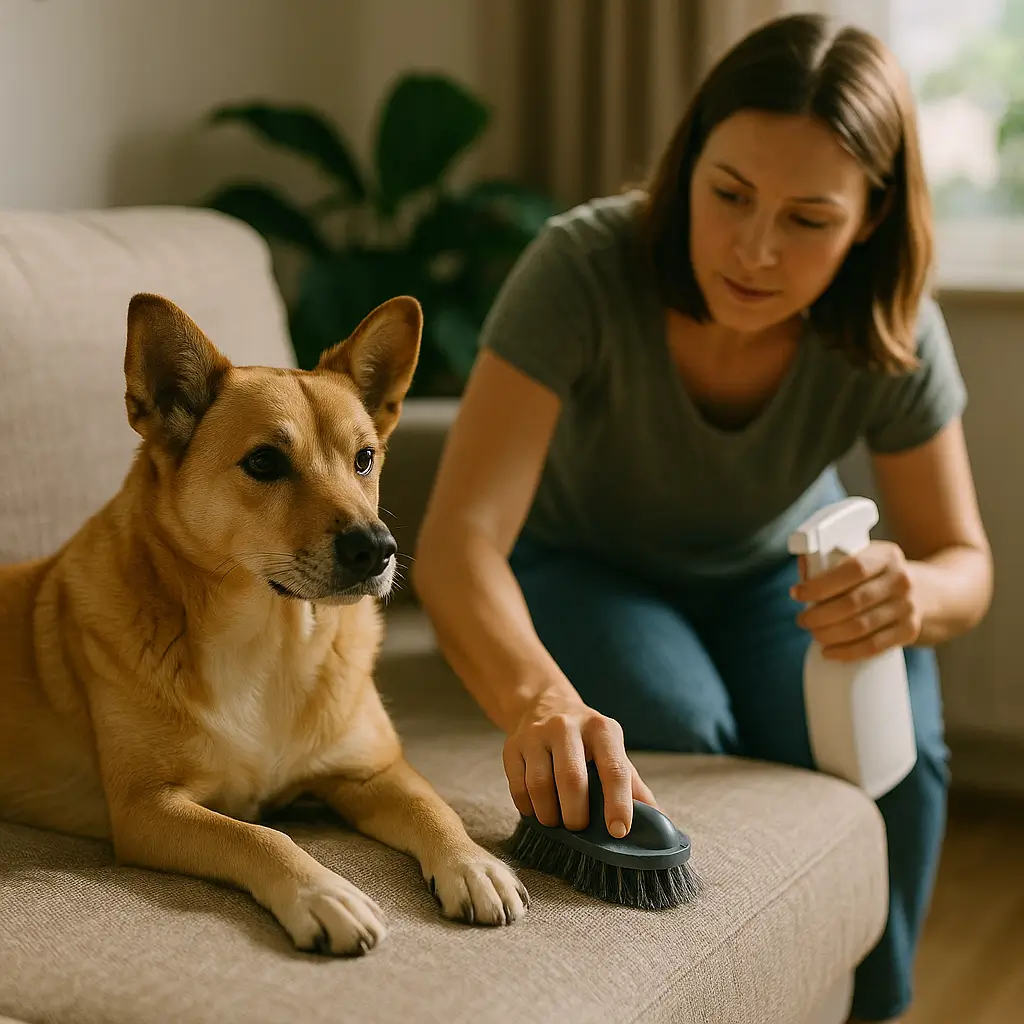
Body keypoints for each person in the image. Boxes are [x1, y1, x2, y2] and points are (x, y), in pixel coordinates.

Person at [412, 12, 993, 1024]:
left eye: (808, 218)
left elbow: (963, 561)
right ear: (687, 165)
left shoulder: (890, 328)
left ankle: (876, 1006)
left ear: (869, 218)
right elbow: (458, 541)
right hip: (585, 564)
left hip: (776, 575)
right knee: (679, 733)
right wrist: (537, 700)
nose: (754, 250)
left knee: (898, 754)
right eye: (727, 195)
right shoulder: (581, 267)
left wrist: (913, 593)